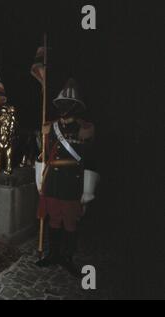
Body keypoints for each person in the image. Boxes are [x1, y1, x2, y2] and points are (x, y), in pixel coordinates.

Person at [35, 79, 99, 276]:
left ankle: (67, 257)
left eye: (68, 104)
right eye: (61, 104)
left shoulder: (85, 128)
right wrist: (40, 180)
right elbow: (43, 155)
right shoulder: (50, 127)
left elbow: (90, 160)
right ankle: (53, 254)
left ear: (77, 107)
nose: (64, 108)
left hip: (72, 180)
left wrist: (88, 190)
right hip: (53, 180)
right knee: (54, 219)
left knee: (70, 221)